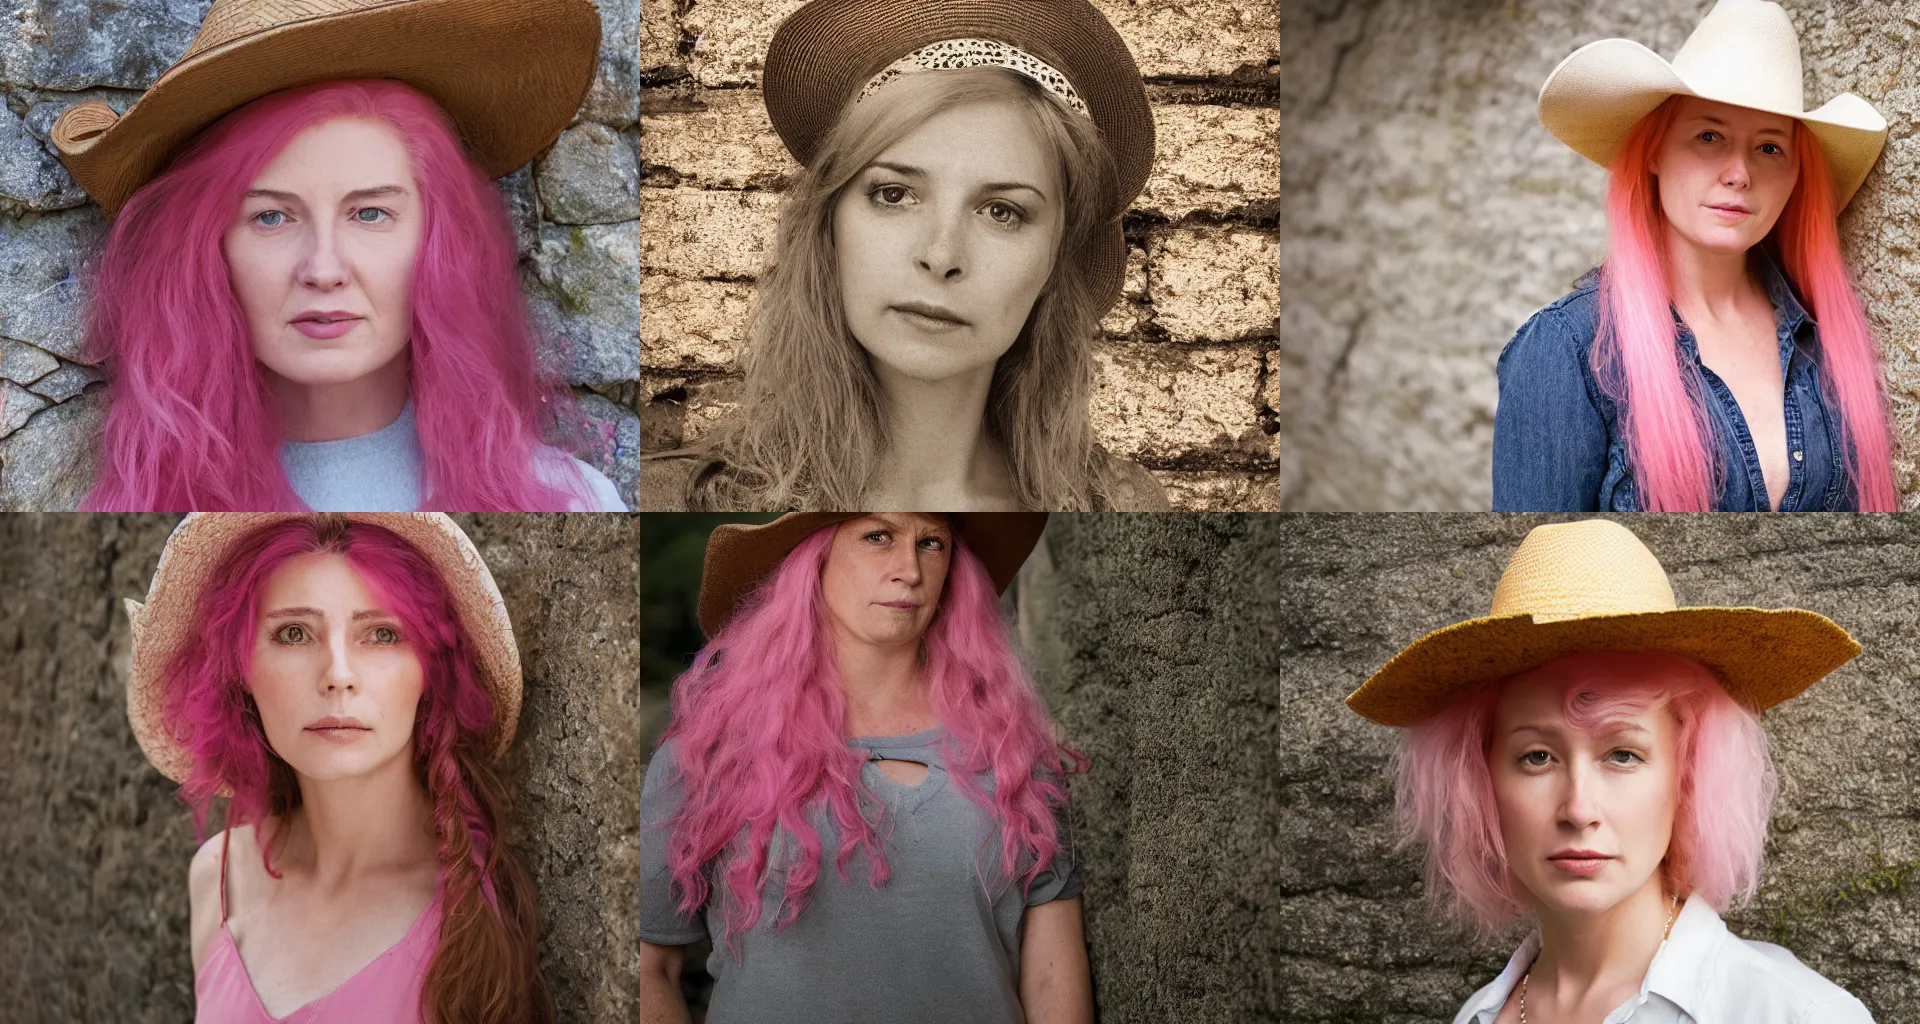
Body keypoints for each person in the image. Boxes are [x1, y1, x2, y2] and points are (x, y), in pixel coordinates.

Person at [51, 0, 626, 511]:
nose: (323, 270)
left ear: (440, 241)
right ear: (207, 251)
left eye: (370, 214)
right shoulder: (134, 505)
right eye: (270, 217)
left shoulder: (571, 500)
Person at [643, 0, 1169, 511]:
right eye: (894, 194)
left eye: (1002, 211)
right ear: (829, 226)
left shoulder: (1122, 508)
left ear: (1054, 258)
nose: (941, 256)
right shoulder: (669, 501)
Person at [1347, 518, 1872, 1023]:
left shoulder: (1796, 1015)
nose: (1578, 809)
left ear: (1687, 776)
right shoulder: (1479, 1015)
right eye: (1537, 757)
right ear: (1480, 782)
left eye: (1622, 754)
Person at [640, 512, 1093, 1023]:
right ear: (815, 558)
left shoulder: (1015, 754)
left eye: (932, 543)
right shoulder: (709, 749)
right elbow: (650, 969)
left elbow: (1053, 978)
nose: (910, 569)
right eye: (877, 536)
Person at [125, 512, 551, 1022]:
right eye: (294, 634)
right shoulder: (216, 877)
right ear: (239, 671)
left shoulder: (471, 912)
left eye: (382, 635)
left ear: (430, 670)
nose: (338, 676)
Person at [1493, 0, 1896, 511]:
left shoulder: (1828, 337)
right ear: (1655, 151)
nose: (1739, 173)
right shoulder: (1567, 349)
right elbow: (1549, 563)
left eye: (1770, 148)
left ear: (1797, 176)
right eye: (1709, 136)